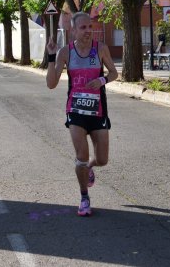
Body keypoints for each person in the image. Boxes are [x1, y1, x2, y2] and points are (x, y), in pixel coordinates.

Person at [46, 12, 118, 216]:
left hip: (98, 110)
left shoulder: (100, 48)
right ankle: (84, 197)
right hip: (75, 110)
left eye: (90, 27)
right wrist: (51, 57)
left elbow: (114, 73)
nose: (88, 31)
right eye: (83, 28)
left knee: (102, 159)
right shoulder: (65, 52)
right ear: (74, 30)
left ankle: (91, 169)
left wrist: (102, 81)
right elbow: (51, 84)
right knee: (81, 157)